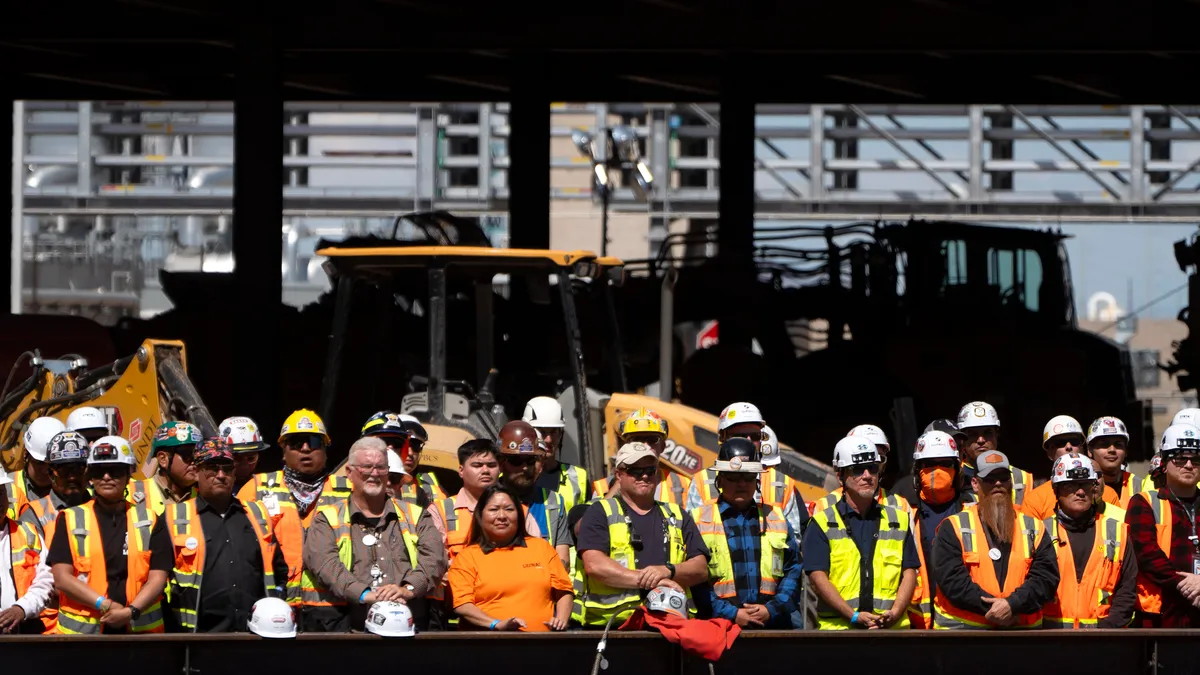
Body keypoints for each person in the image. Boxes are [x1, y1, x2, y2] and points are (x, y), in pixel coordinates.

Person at [301, 436, 446, 632]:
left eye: (381, 468)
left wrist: (408, 588)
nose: (374, 474)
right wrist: (364, 594)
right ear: (349, 473)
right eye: (367, 467)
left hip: (409, 629)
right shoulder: (326, 519)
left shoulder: (417, 515)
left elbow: (435, 559)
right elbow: (324, 563)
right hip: (348, 631)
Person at [574, 442, 710, 628]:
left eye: (650, 470)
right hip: (614, 627)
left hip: (671, 625)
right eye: (635, 471)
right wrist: (651, 580)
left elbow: (701, 569)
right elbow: (594, 565)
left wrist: (668, 571)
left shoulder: (678, 514)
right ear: (619, 475)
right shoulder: (599, 512)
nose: (644, 475)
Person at [48, 435, 172, 634]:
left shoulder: (151, 520)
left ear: (128, 474)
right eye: (98, 472)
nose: (106, 477)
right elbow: (62, 578)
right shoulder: (69, 519)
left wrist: (130, 612)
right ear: (90, 477)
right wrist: (104, 604)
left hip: (140, 637)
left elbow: (158, 577)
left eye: (114, 471)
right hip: (84, 640)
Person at [165, 438, 289, 633]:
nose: (221, 475)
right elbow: (159, 579)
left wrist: (277, 599)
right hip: (199, 637)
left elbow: (279, 569)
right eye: (212, 468)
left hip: (255, 634)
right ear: (197, 472)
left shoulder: (257, 513)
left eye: (227, 468)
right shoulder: (174, 518)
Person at [237, 409, 351, 609]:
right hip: (273, 605)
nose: (306, 449)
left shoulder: (348, 490)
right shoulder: (256, 488)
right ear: (283, 449)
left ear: (325, 449)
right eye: (297, 443)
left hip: (332, 609)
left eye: (314, 442)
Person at [932, 450, 1059, 629]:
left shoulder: (1034, 527)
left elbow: (1046, 577)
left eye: (1004, 478)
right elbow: (952, 581)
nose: (998, 484)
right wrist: (994, 609)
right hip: (965, 636)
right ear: (975, 484)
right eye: (990, 479)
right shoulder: (952, 527)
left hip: (1022, 635)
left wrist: (1012, 605)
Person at [804, 436, 919, 629]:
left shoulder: (898, 520)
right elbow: (817, 577)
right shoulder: (821, 523)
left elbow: (910, 572)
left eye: (872, 468)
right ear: (840, 475)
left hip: (892, 630)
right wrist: (853, 616)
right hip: (840, 632)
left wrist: (896, 612)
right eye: (857, 469)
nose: (867, 475)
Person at [691, 439, 802, 629]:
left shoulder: (776, 518)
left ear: (757, 480)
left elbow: (793, 569)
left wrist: (771, 609)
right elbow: (694, 581)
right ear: (720, 479)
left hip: (773, 625)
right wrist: (732, 614)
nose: (741, 483)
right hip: (717, 627)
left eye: (748, 477)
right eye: (733, 477)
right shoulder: (698, 521)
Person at [448, 484, 574, 631]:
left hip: (541, 644)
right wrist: (496, 624)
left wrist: (561, 619)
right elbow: (462, 604)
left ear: (519, 515)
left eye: (509, 509)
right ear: (480, 516)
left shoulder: (541, 547)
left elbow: (564, 590)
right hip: (486, 644)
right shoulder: (467, 556)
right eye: (494, 510)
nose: (502, 516)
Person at [1040, 453, 1137, 628]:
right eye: (1071, 485)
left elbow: (1127, 589)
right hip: (1050, 639)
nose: (1080, 491)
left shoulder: (1116, 532)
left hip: (1104, 640)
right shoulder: (1040, 531)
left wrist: (1106, 630)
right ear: (1056, 490)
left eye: (1085, 484)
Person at [1125, 423, 1200, 627]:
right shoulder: (1144, 502)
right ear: (1164, 463)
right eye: (1179, 458)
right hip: (1160, 617)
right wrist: (1187, 586)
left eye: (1196, 458)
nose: (1188, 465)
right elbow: (1146, 554)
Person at [906, 429, 967, 628]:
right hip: (915, 623)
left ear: (957, 469)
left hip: (961, 620)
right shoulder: (903, 512)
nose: (938, 470)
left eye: (945, 464)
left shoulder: (973, 509)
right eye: (930, 465)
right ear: (917, 470)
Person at [497, 420, 570, 568]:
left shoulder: (553, 501)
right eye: (516, 461)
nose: (524, 468)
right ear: (501, 462)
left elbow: (564, 561)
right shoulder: (485, 500)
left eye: (530, 460)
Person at [1019, 415, 1119, 520]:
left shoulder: (1108, 494)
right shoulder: (1035, 500)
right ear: (1049, 453)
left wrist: (1098, 503)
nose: (1069, 447)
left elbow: (1117, 529)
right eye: (1060, 443)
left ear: (1082, 447)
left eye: (1074, 441)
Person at [595, 407, 694, 509]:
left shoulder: (684, 484)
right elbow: (591, 521)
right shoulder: (603, 487)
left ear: (663, 447)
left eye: (652, 440)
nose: (645, 446)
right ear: (626, 445)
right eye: (637, 440)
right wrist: (620, 483)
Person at [0, 466, 53, 634]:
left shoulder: (28, 532)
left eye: (1, 492)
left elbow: (47, 579)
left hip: (25, 631)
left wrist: (22, 608)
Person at [955, 402, 1034, 508]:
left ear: (997, 435)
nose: (981, 440)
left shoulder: (1021, 478)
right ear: (962, 440)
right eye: (973, 434)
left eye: (987, 433)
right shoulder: (953, 477)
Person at [526, 396, 591, 511]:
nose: (549, 440)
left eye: (554, 432)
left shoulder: (578, 477)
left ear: (561, 434)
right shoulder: (510, 477)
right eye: (542, 432)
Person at [360, 411, 434, 507]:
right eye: (384, 441)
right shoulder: (338, 486)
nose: (410, 452)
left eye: (397, 444)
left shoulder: (422, 494)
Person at [129, 421, 202, 517]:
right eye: (188, 455)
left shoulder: (205, 496)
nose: (195, 461)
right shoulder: (131, 494)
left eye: (199, 455)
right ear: (163, 459)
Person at [5, 417, 64, 520]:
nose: (45, 471)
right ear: (25, 455)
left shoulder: (72, 490)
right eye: (39, 463)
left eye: (52, 465)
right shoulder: (6, 487)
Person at [1086, 416, 1144, 508]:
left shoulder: (1141, 486)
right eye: (1104, 444)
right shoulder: (1081, 488)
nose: (1112, 450)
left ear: (1126, 451)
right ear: (1090, 450)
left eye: (1118, 444)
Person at [219, 416, 270, 494]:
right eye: (237, 458)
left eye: (251, 458)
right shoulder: (211, 491)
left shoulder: (269, 488)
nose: (245, 466)